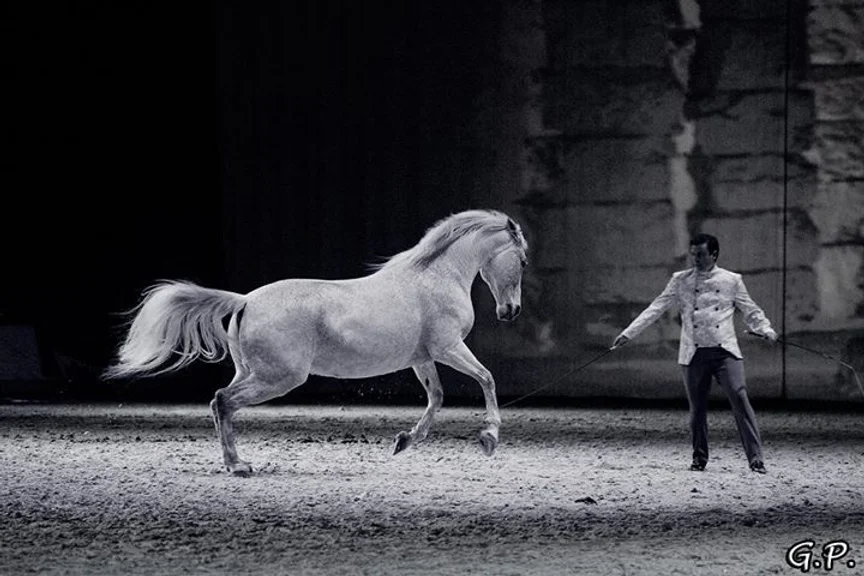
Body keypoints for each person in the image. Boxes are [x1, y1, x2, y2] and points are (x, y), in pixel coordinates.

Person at [612, 233, 777, 474]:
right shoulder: (681, 280)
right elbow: (656, 307)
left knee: (740, 398)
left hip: (724, 351)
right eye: (693, 255)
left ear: (714, 254)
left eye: (701, 255)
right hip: (694, 353)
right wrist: (629, 333)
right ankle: (699, 458)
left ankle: (756, 459)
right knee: (697, 409)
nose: (696, 259)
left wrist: (766, 329)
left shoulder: (732, 280)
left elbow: (751, 310)